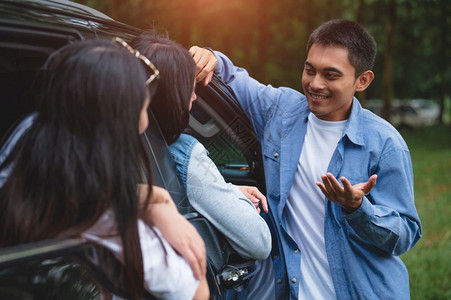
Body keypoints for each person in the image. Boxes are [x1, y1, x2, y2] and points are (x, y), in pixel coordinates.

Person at [190, 19, 422, 299]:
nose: (314, 84)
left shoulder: (384, 144)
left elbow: (405, 234)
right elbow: (234, 79)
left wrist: (358, 208)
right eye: (309, 70)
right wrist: (211, 57)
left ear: (363, 80)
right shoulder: (281, 111)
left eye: (331, 75)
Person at [0, 38, 208, 299]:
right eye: (144, 109)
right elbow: (196, 292)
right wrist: (162, 209)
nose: (145, 123)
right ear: (120, 125)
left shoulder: (27, 137)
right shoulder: (117, 223)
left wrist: (155, 197)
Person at [132, 34, 272, 262]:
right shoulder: (184, 154)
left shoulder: (102, 142)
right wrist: (239, 200)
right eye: (189, 88)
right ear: (170, 95)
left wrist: (228, 190)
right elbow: (260, 242)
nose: (195, 97)